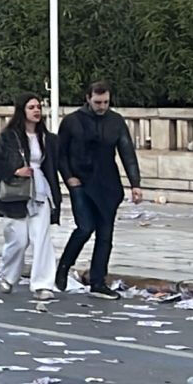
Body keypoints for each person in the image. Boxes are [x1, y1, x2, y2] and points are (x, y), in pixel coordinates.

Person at [54, 82, 142, 299]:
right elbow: (60, 153)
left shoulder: (116, 121)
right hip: (81, 182)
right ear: (88, 98)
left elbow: (127, 152)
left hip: (107, 183)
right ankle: (64, 266)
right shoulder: (72, 121)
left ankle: (98, 281)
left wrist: (135, 183)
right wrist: (69, 178)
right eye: (97, 102)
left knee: (105, 234)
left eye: (106, 102)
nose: (102, 106)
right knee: (85, 227)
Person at [0, 94, 61, 300]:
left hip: (40, 191)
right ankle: (8, 276)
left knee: (41, 239)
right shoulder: (9, 136)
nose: (36, 111)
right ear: (23, 111)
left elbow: (55, 165)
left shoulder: (48, 138)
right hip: (17, 193)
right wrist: (14, 170)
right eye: (31, 107)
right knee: (18, 239)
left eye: (38, 107)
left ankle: (42, 284)